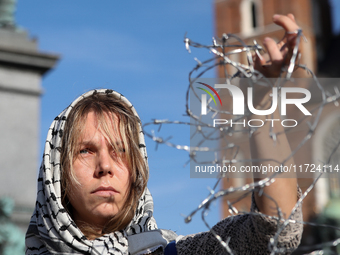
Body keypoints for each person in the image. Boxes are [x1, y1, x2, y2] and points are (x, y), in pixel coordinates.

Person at [25, 14, 303, 254]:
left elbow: (275, 234)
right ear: (57, 172)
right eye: (86, 150)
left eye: (120, 150)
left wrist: (263, 107)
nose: (106, 167)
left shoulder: (172, 252)